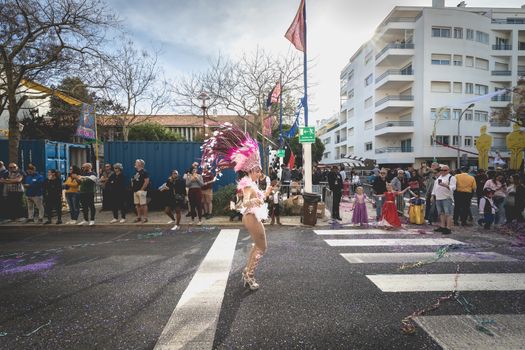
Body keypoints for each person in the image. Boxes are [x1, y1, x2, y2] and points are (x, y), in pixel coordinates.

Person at [201, 123, 272, 291]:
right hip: (251, 217)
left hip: (251, 217)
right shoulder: (247, 183)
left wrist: (266, 192)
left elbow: (258, 199)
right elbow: (246, 201)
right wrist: (252, 201)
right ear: (251, 170)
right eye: (257, 170)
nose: (259, 173)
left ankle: (248, 273)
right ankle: (249, 275)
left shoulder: (251, 183)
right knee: (262, 247)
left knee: (258, 245)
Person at [431, 165, 456, 234]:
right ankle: (442, 226)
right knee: (441, 213)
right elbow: (435, 187)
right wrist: (433, 195)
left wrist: (446, 185)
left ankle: (448, 228)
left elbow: (453, 187)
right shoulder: (439, 177)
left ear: (448, 170)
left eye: (445, 170)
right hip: (438, 197)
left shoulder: (451, 177)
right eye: (442, 170)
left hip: (446, 197)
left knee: (448, 213)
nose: (443, 171)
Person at [131, 159, 150, 223]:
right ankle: (139, 217)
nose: (135, 163)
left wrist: (142, 189)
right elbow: (133, 180)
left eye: (136, 162)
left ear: (140, 164)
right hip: (135, 191)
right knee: (137, 205)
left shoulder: (144, 172)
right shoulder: (136, 172)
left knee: (143, 204)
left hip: (141, 191)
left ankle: (145, 218)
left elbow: (146, 181)